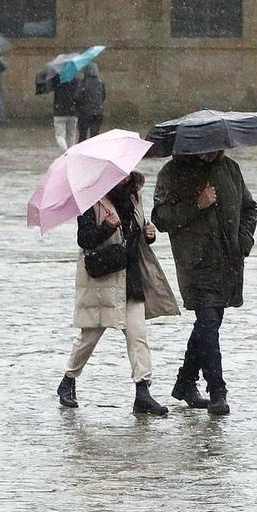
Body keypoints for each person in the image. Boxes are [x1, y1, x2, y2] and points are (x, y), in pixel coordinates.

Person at [59, 171, 181, 415]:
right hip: (104, 280)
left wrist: (149, 235)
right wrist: (107, 226)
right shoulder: (92, 200)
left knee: (138, 336)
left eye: (126, 174)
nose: (124, 179)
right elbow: (85, 239)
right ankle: (68, 381)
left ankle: (142, 392)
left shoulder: (134, 198)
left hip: (130, 276)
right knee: (90, 336)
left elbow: (135, 238)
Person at [152, 147, 257, 416]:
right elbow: (161, 219)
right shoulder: (172, 173)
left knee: (207, 326)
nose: (214, 151)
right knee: (208, 323)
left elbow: (249, 207)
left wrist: (243, 241)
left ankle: (185, 381)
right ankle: (217, 390)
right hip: (195, 265)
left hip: (228, 263)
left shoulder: (230, 168)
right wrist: (197, 205)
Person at [74, 65, 105, 143]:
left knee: (82, 135)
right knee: (95, 135)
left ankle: (81, 151)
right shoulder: (100, 83)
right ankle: (94, 150)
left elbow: (77, 97)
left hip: (85, 113)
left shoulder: (82, 83)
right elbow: (103, 96)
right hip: (98, 112)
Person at [51, 70, 79, 150]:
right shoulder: (75, 81)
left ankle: (65, 153)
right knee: (72, 135)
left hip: (59, 112)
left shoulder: (57, 80)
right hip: (73, 112)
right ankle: (71, 154)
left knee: (60, 136)